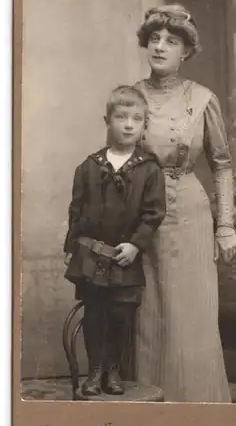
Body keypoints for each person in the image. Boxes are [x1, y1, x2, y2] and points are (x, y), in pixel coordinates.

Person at [134, 4, 236, 402]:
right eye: (155, 39)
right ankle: (149, 417)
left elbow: (223, 164)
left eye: (171, 41)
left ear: (185, 52)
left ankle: (197, 410)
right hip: (143, 215)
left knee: (189, 315)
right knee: (148, 314)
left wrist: (225, 225)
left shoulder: (202, 98)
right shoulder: (132, 96)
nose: (160, 47)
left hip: (191, 215)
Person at [63, 85, 166, 396]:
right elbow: (76, 209)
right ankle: (94, 371)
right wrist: (71, 247)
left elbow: (153, 213)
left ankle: (112, 369)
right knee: (94, 313)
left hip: (125, 257)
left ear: (144, 125)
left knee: (121, 315)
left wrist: (136, 245)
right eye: (121, 117)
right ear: (107, 120)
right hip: (92, 256)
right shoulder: (89, 167)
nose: (128, 124)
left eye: (136, 119)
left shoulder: (149, 169)